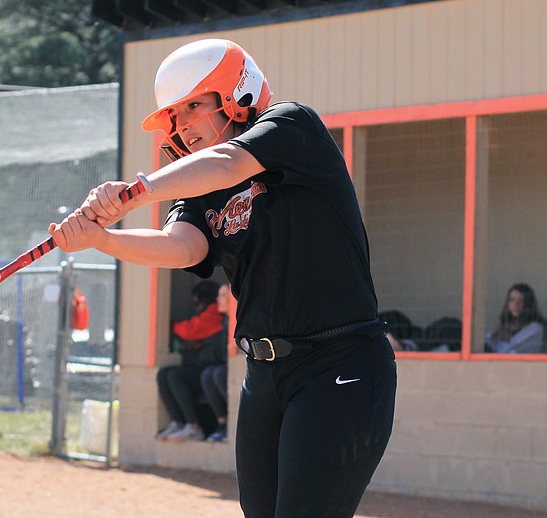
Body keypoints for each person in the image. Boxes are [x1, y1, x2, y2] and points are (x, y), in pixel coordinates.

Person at [49, 38, 397, 518]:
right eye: (173, 114)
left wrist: (133, 193)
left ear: (239, 93)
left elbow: (228, 163)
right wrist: (101, 240)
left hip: (339, 361)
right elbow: (181, 246)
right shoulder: (196, 188)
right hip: (265, 372)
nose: (183, 125)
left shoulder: (292, 125)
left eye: (194, 104)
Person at [157, 280, 227, 442]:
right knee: (164, 374)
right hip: (205, 367)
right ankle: (178, 422)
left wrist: (169, 325)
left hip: (214, 369)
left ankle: (194, 426)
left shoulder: (215, 312)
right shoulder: (212, 313)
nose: (197, 306)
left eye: (198, 301)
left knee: (176, 376)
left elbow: (190, 330)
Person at [200, 283, 231, 442]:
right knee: (208, 373)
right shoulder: (225, 320)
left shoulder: (238, 319)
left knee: (218, 374)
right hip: (225, 365)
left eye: (223, 295)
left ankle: (233, 421)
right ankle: (223, 422)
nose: (218, 299)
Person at [486, 283, 547, 354]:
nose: (515, 304)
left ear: (528, 304)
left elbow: (511, 351)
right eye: (512, 300)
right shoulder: (504, 327)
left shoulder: (535, 328)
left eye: (521, 300)